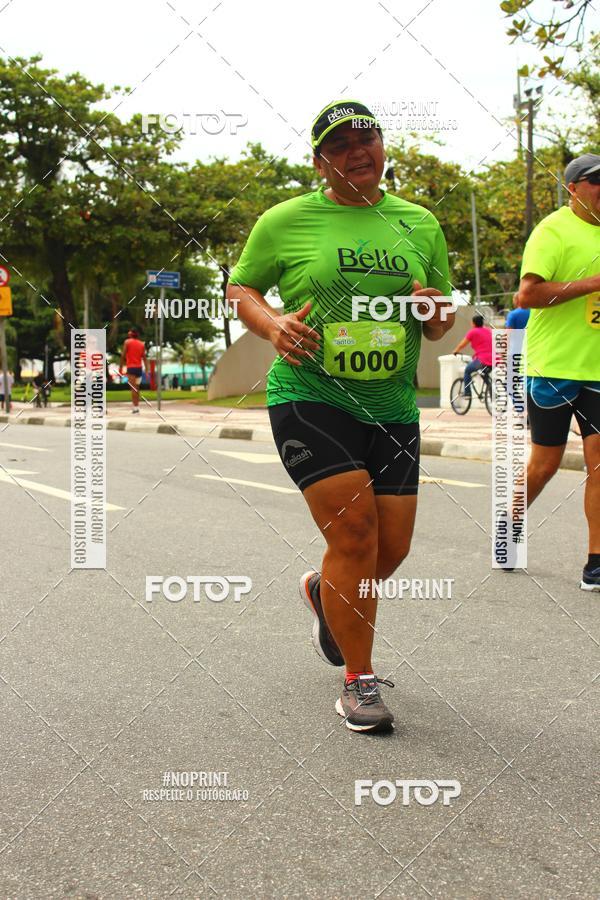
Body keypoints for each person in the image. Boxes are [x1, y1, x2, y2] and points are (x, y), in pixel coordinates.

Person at [226, 99, 455, 733]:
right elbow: (241, 288)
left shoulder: (419, 223)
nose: (359, 151)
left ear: (383, 146)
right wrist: (273, 325)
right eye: (341, 145)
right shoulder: (286, 221)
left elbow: (438, 322)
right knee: (354, 536)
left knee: (393, 546)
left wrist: (436, 310)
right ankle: (359, 682)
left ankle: (325, 596)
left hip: (390, 404)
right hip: (311, 396)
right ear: (320, 160)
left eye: (368, 139)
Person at [513, 153, 600, 591]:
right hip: (553, 368)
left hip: (599, 371)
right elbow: (526, 295)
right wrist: (593, 283)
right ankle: (509, 524)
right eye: (596, 181)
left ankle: (596, 562)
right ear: (573, 188)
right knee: (544, 464)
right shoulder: (552, 230)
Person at [452, 314, 493, 395]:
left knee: (467, 370)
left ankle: (467, 392)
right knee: (483, 373)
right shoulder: (488, 331)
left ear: (474, 323)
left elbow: (462, 345)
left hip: (482, 361)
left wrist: (455, 351)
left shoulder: (473, 332)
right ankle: (491, 391)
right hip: (493, 360)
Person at [119, 329, 148, 414]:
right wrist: (147, 369)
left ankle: (135, 408)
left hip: (131, 368)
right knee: (137, 389)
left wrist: (120, 367)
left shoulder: (127, 342)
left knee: (133, 389)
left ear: (131, 334)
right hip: (139, 368)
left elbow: (123, 355)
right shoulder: (141, 344)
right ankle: (137, 407)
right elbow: (144, 358)